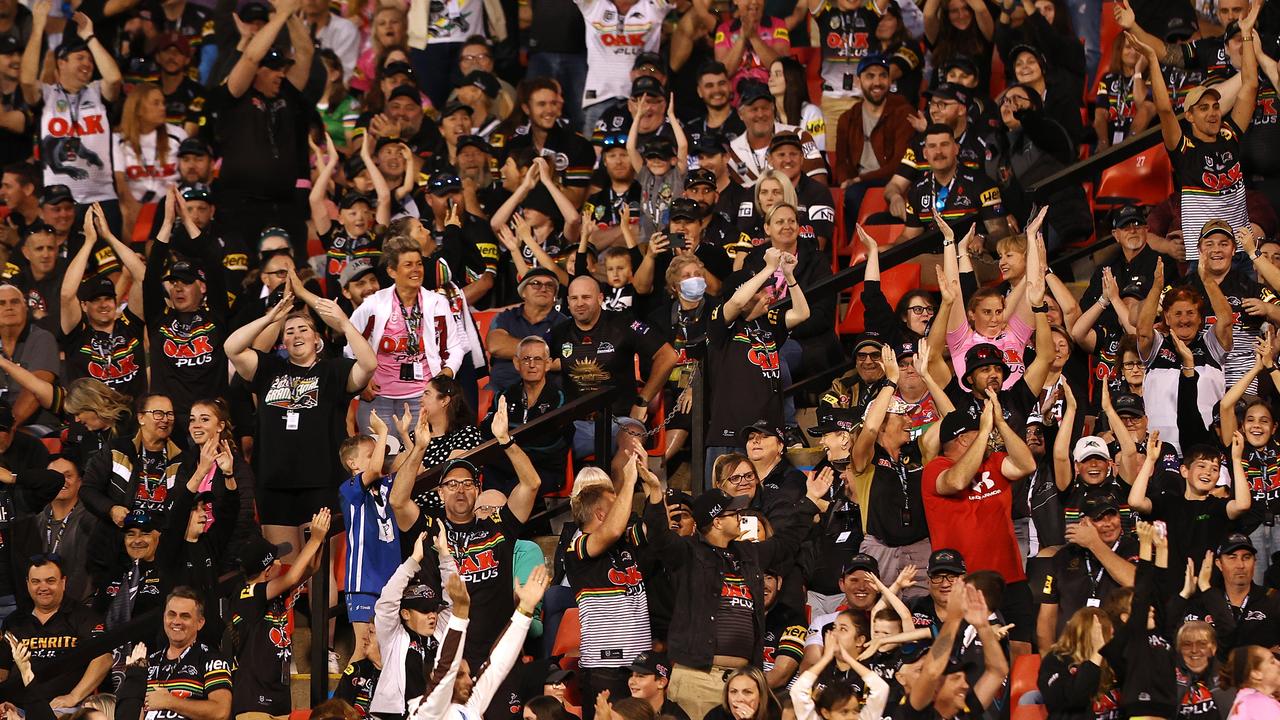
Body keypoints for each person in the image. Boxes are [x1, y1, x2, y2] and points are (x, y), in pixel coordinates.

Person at [225, 276, 375, 568]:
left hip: (323, 481)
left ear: (317, 338)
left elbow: (369, 364)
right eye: (289, 331)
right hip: (274, 483)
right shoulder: (269, 370)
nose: (296, 334)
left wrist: (344, 323)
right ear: (282, 342)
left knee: (319, 570)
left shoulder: (333, 371)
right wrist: (271, 318)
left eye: (303, 329)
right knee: (283, 570)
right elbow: (232, 348)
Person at [550, 275, 679, 458]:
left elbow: (668, 356)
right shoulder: (558, 332)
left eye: (586, 297)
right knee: (542, 445)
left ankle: (622, 487)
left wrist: (643, 400)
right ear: (567, 302)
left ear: (600, 298)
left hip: (620, 421)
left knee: (630, 446)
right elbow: (531, 357)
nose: (579, 303)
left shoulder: (625, 323)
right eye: (574, 298)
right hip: (574, 424)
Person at [564, 451, 649, 717]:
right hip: (605, 668)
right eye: (617, 506)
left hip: (640, 666)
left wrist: (649, 483)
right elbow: (611, 530)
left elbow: (655, 528)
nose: (626, 510)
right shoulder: (577, 546)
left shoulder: (625, 541)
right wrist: (629, 481)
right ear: (602, 515)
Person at [20, 1, 122, 218]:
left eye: (90, 59)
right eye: (80, 58)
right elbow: (27, 82)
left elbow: (114, 79)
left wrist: (90, 38)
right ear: (61, 63)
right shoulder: (47, 95)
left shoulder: (97, 93)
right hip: (58, 201)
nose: (88, 63)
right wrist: (38, 29)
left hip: (103, 199)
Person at [229, 512, 332, 718]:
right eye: (277, 560)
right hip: (253, 704)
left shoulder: (272, 595)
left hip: (279, 701)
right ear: (267, 571)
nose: (281, 564)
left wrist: (321, 539)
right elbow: (293, 575)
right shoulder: (245, 594)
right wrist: (314, 540)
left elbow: (312, 568)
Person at [0, 555, 111, 708]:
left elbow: (103, 657)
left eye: (50, 581)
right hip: (17, 708)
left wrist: (73, 697)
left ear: (63, 582)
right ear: (27, 584)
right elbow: (2, 670)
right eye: (35, 582)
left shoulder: (85, 617)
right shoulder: (13, 621)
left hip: (65, 709)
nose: (43, 587)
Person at [117, 588, 233, 720]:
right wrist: (133, 678)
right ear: (164, 618)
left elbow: (221, 711)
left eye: (185, 616)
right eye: (171, 614)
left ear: (200, 623)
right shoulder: (148, 662)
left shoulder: (211, 659)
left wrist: (170, 702)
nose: (176, 621)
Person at [1224, 645, 1280, 718]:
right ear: (1256, 674)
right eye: (1272, 662)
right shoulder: (1260, 704)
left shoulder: (1247, 700)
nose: (1279, 663)